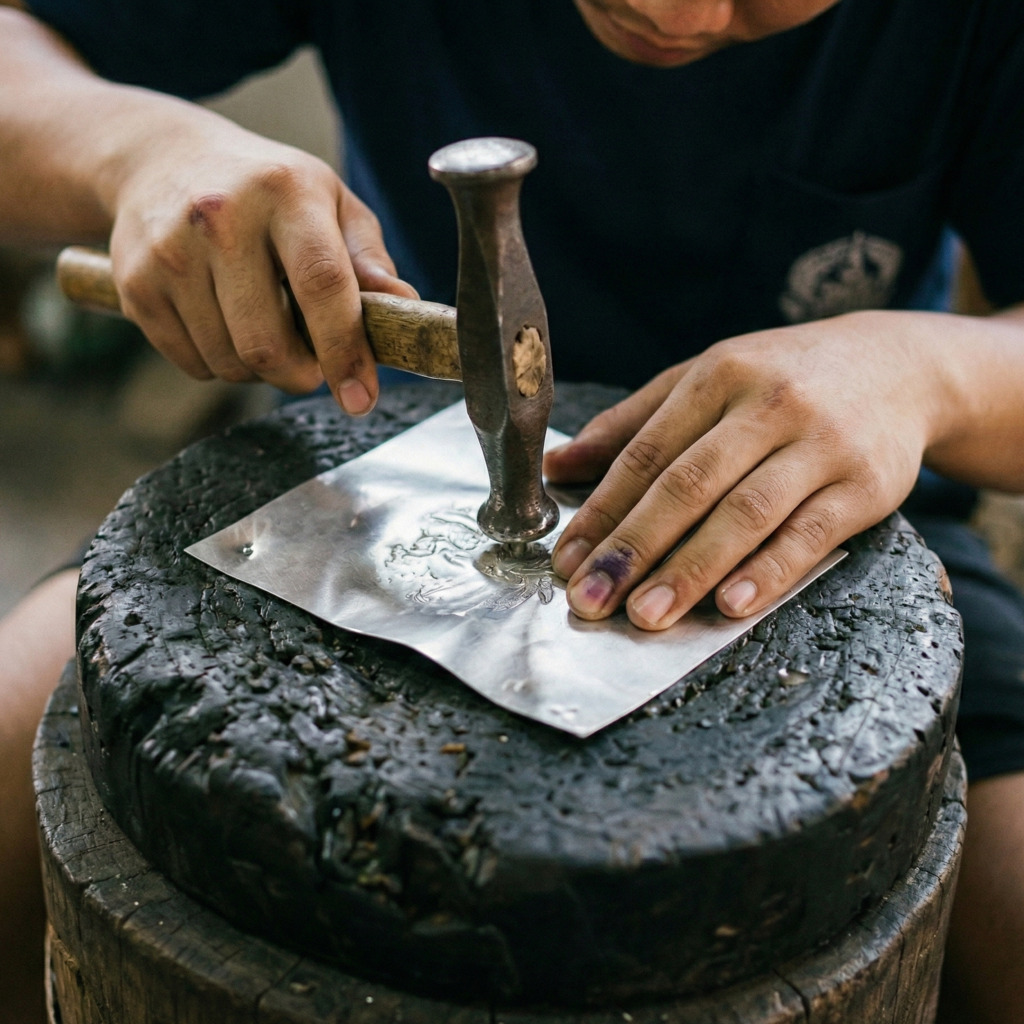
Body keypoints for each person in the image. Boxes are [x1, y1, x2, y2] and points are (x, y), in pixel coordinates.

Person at [1, 1, 1022, 1020]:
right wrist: (134, 149)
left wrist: (930, 375)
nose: (674, 10)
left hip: (850, 526)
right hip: (350, 474)